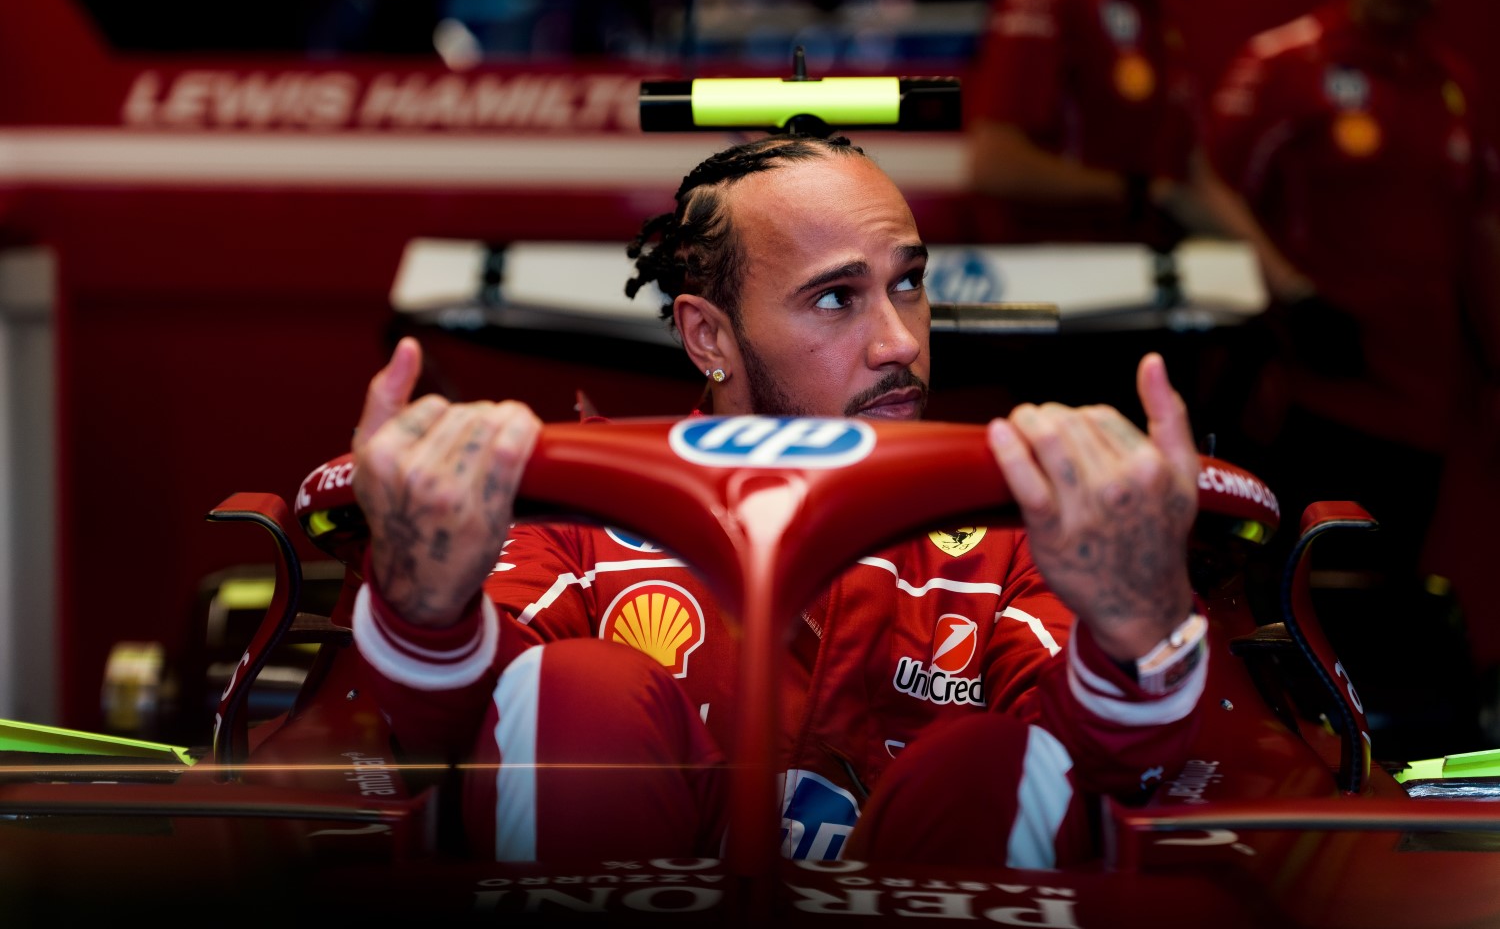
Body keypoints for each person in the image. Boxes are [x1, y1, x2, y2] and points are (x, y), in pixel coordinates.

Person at [348, 133, 1208, 869]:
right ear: (709, 336)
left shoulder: (1027, 527)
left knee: (1000, 757)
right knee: (578, 690)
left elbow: (1112, 773)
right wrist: (425, 607)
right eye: (837, 298)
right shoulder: (568, 508)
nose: (900, 341)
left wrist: (1136, 624)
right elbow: (441, 739)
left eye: (907, 284)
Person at [1206, 0, 1500, 750]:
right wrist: (1281, 317)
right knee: (1296, 614)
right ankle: (1290, 774)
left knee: (1386, 617)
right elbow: (1211, 205)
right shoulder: (1281, 67)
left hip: (1425, 409)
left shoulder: (1454, 87)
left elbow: (1480, 231)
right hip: (1313, 405)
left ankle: (1374, 791)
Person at [965, 0, 1304, 298]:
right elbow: (993, 165)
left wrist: (1292, 288)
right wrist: (1134, 192)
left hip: (1134, 292)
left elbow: (1193, 182)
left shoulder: (1160, 8)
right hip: (1053, 300)